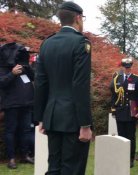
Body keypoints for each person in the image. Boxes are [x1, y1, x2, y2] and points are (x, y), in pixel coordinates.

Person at [34, 2, 93, 174]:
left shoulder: (47, 43)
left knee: (54, 168)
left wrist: (41, 118)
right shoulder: (81, 43)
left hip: (52, 117)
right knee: (72, 169)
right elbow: (80, 85)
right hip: (73, 120)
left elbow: (41, 83)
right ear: (78, 18)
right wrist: (85, 124)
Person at [0, 44, 35, 169]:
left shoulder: (23, 65)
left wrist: (27, 66)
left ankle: (25, 156)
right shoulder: (3, 67)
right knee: (11, 131)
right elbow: (2, 83)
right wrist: (12, 73)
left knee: (25, 130)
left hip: (27, 104)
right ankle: (11, 159)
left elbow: (34, 76)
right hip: (11, 105)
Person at [110, 57, 138, 168]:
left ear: (131, 67)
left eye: (129, 67)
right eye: (125, 67)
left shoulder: (136, 79)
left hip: (131, 112)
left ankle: (130, 158)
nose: (127, 69)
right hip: (120, 111)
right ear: (122, 67)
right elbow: (113, 95)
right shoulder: (117, 79)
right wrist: (113, 109)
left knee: (130, 137)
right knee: (121, 136)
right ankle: (121, 156)